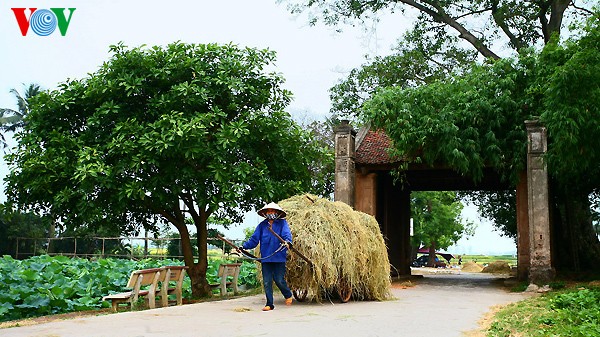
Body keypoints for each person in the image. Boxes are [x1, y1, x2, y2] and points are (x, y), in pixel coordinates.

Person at [239, 202, 293, 311]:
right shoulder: (262, 226)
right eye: (268, 211)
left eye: (272, 211)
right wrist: (244, 246)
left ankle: (287, 294)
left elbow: (287, 235)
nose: (270, 213)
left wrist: (287, 242)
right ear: (265, 213)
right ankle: (269, 304)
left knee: (279, 279)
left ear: (277, 212)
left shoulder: (282, 224)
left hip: (279, 256)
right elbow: (254, 240)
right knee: (267, 281)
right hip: (266, 258)